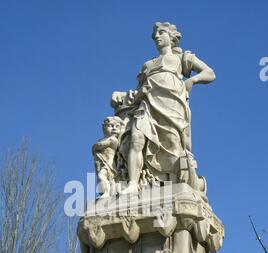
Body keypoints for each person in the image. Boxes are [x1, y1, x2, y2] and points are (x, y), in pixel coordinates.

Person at [111, 22, 216, 193]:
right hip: (146, 104)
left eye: (161, 33)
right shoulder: (148, 65)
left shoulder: (182, 58)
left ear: (172, 37)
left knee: (173, 144)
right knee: (137, 138)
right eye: (155, 35)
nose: (157, 37)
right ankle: (132, 183)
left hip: (172, 104)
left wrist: (191, 80)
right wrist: (122, 95)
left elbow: (210, 73)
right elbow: (137, 92)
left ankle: (178, 181)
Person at [92, 116, 123, 198]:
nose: (114, 128)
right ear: (104, 127)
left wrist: (94, 147)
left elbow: (98, 146)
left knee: (101, 176)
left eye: (117, 126)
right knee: (110, 180)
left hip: (109, 163)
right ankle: (113, 192)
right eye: (111, 126)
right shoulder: (104, 140)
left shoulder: (113, 140)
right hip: (101, 163)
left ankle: (106, 193)